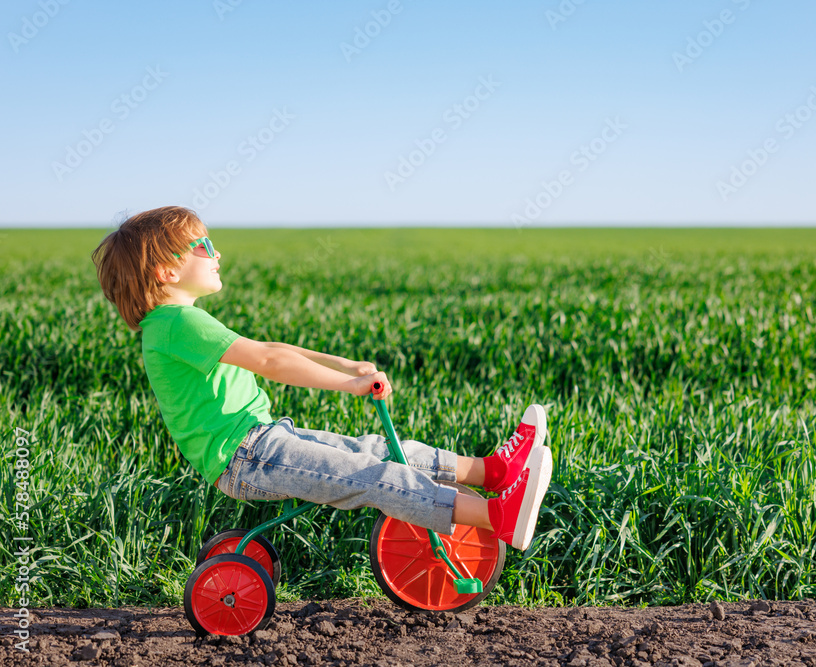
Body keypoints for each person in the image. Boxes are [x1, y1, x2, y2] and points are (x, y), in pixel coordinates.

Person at [91, 206, 552, 550]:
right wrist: (348, 386)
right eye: (203, 246)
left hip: (263, 441)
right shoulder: (176, 323)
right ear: (167, 270)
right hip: (247, 456)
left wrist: (347, 366)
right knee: (374, 474)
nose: (216, 254)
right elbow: (268, 362)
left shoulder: (178, 323)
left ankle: (491, 471)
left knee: (374, 449)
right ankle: (497, 515)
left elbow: (275, 350)